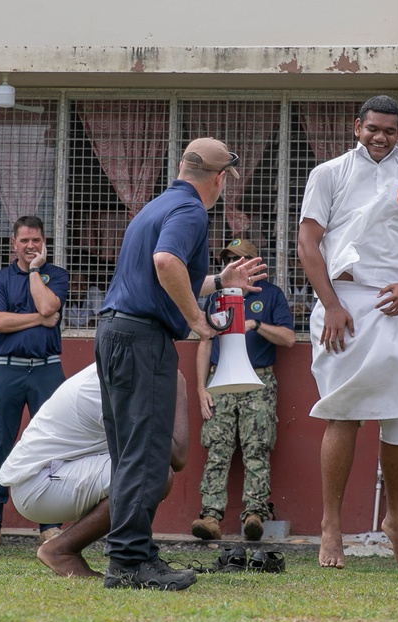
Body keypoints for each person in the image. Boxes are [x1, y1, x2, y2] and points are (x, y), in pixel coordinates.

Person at [95, 137, 266, 591]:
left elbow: (160, 274)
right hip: (142, 340)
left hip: (116, 332)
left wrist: (217, 281)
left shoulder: (156, 206)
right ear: (220, 178)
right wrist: (196, 319)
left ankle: (134, 552)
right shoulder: (192, 212)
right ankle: (130, 563)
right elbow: (166, 261)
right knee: (148, 456)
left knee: (129, 454)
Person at [297, 95, 398, 574]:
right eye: (372, 128)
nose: (380, 137)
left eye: (390, 130)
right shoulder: (329, 173)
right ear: (357, 127)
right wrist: (332, 305)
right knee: (343, 413)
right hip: (344, 306)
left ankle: (396, 523)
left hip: (394, 303)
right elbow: (308, 242)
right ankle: (331, 526)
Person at [0, 366, 190, 579]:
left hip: (59, 470)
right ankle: (61, 549)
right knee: (155, 473)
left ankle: (131, 553)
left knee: (148, 468)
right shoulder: (110, 388)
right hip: (38, 484)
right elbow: (176, 454)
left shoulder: (123, 368)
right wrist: (177, 381)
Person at [0, 216, 69, 548]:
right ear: (14, 243)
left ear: (44, 243)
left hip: (47, 369)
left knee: (51, 444)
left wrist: (33, 274)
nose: (31, 246)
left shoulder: (55, 275)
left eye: (37, 240)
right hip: (7, 370)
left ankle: (51, 524)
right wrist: (39, 320)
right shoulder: (0, 280)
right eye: (25, 241)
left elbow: (47, 304)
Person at [193, 237, 296, 542]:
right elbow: (205, 341)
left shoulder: (272, 295)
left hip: (258, 383)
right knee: (218, 450)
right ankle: (210, 517)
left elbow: (289, 338)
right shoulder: (216, 297)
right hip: (221, 383)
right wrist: (201, 388)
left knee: (256, 449)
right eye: (228, 260)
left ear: (253, 264)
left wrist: (256, 325)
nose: (231, 266)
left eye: (238, 260)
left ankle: (255, 514)